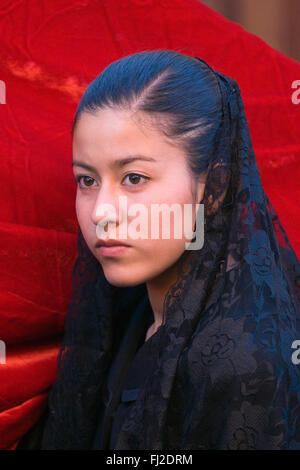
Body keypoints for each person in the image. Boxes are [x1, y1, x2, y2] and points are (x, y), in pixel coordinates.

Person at [20, 50, 300, 450]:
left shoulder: (246, 365)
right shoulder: (127, 317)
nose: (101, 212)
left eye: (134, 177)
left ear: (214, 187)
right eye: (86, 180)